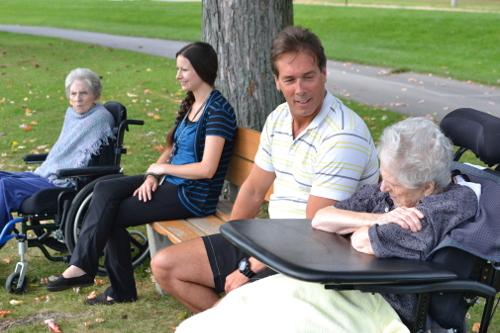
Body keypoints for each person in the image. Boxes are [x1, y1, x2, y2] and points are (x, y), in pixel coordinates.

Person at [150, 25, 380, 313]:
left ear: (324, 74)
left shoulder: (342, 134)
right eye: (290, 79)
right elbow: (253, 189)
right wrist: (232, 241)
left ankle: (229, 319)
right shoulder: (279, 118)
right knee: (165, 266)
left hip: (317, 258)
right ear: (276, 82)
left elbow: (315, 229)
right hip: (273, 242)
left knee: (227, 307)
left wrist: (247, 268)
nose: (300, 89)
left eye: (308, 77)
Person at [174, 117, 478, 333]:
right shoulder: (392, 196)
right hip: (341, 284)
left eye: (394, 184)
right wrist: (379, 218)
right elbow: (323, 218)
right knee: (242, 302)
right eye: (383, 177)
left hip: (381, 304)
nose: (383, 188)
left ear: (426, 187)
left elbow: (363, 243)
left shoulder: (445, 205)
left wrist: (358, 229)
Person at [46, 42, 238, 305]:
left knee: (110, 214)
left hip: (192, 195)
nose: (177, 75)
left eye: (184, 69)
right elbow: (171, 149)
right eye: (178, 69)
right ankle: (84, 268)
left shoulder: (218, 111)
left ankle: (112, 287)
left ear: (202, 70)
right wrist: (151, 176)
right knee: (105, 189)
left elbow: (207, 169)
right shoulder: (192, 104)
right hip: (172, 182)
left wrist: (161, 170)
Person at [0, 68, 115, 247]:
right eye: (73, 93)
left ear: (96, 96)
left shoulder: (99, 118)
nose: (77, 98)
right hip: (47, 173)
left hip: (62, 180)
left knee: (4, 185)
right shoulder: (73, 115)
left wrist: (56, 170)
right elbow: (63, 151)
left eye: (84, 93)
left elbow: (75, 157)